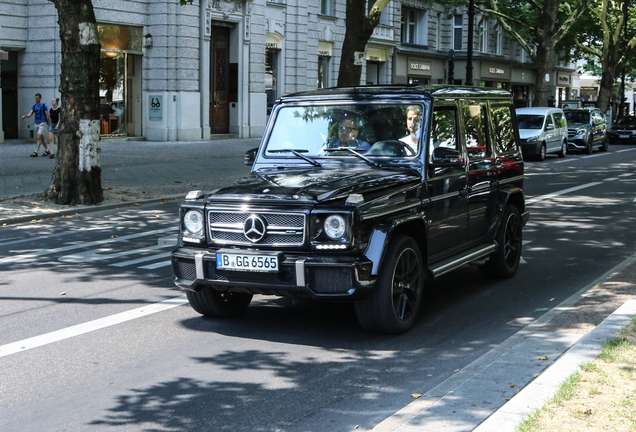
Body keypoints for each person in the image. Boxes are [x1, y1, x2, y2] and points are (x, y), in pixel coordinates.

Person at [21, 93, 51, 157]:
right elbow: (30, 113)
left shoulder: (44, 105)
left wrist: (48, 124)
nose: (36, 99)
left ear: (40, 98)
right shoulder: (34, 106)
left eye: (37, 98)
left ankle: (36, 151)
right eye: (35, 98)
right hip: (36, 122)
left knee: (38, 136)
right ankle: (47, 150)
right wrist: (25, 116)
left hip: (42, 122)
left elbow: (47, 115)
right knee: (42, 137)